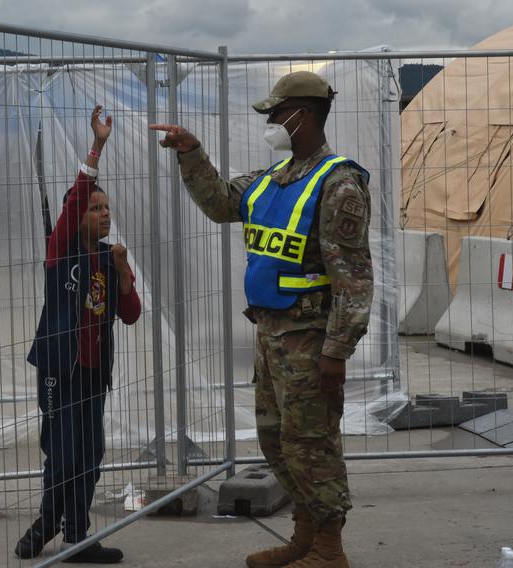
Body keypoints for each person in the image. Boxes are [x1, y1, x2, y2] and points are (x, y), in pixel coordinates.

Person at [150, 71, 373, 568]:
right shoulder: (274, 180)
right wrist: (192, 152)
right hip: (272, 337)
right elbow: (221, 202)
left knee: (311, 443)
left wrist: (337, 351)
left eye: (278, 112)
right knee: (276, 440)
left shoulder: (338, 185)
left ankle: (330, 549)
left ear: (306, 115)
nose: (271, 122)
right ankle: (305, 537)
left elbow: (353, 280)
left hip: (311, 341)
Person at [16, 105, 141, 564]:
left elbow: (130, 314)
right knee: (63, 455)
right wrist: (98, 145)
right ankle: (50, 523)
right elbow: (72, 201)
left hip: (92, 375)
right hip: (58, 369)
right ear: (80, 215)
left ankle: (75, 538)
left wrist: (125, 272)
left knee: (90, 455)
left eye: (107, 208)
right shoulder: (60, 250)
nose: (103, 215)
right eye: (95, 208)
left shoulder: (110, 258)